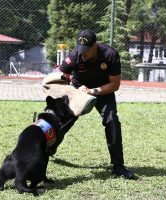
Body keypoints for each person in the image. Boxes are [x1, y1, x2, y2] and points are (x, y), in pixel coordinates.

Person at [55, 29, 135, 179]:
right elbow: (59, 74)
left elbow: (115, 85)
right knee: (64, 121)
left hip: (103, 91)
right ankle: (47, 150)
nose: (82, 54)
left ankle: (118, 166)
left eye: (86, 51)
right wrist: (70, 86)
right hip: (79, 90)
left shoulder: (110, 55)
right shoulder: (75, 55)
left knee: (112, 121)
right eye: (80, 49)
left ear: (95, 46)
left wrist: (93, 91)